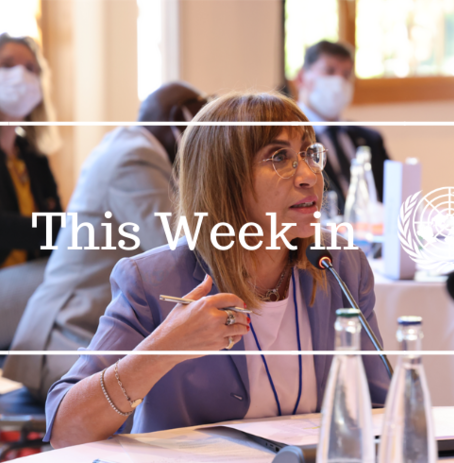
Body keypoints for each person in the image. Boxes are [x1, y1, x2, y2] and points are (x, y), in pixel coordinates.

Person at [45, 92, 390, 448]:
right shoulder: (154, 279)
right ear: (224, 179)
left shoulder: (340, 264)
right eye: (279, 157)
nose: (309, 175)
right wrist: (164, 348)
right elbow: (66, 430)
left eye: (309, 153)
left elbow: (380, 407)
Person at [3, 82, 209, 399]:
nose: (203, 143)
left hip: (90, 329)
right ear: (177, 120)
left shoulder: (129, 147)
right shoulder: (135, 157)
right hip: (66, 334)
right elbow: (180, 246)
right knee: (168, 400)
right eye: (200, 129)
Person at [0, 33, 62, 349]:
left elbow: (59, 226)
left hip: (28, 276)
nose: (20, 76)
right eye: (7, 64)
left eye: (30, 68)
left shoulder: (33, 156)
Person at [294, 40, 390, 211]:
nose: (339, 81)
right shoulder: (289, 138)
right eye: (329, 71)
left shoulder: (370, 138)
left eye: (346, 74)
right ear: (301, 78)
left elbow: (392, 196)